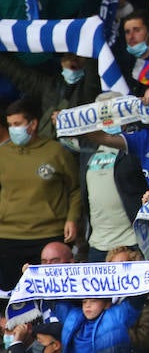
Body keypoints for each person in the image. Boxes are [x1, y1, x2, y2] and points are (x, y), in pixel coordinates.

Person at [0, 97, 81, 289]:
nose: (13, 129)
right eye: (10, 125)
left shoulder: (56, 152)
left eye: (17, 124)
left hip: (49, 235)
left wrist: (72, 218)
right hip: (8, 236)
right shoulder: (3, 153)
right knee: (13, 298)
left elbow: (76, 189)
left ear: (33, 124)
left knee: (51, 294)